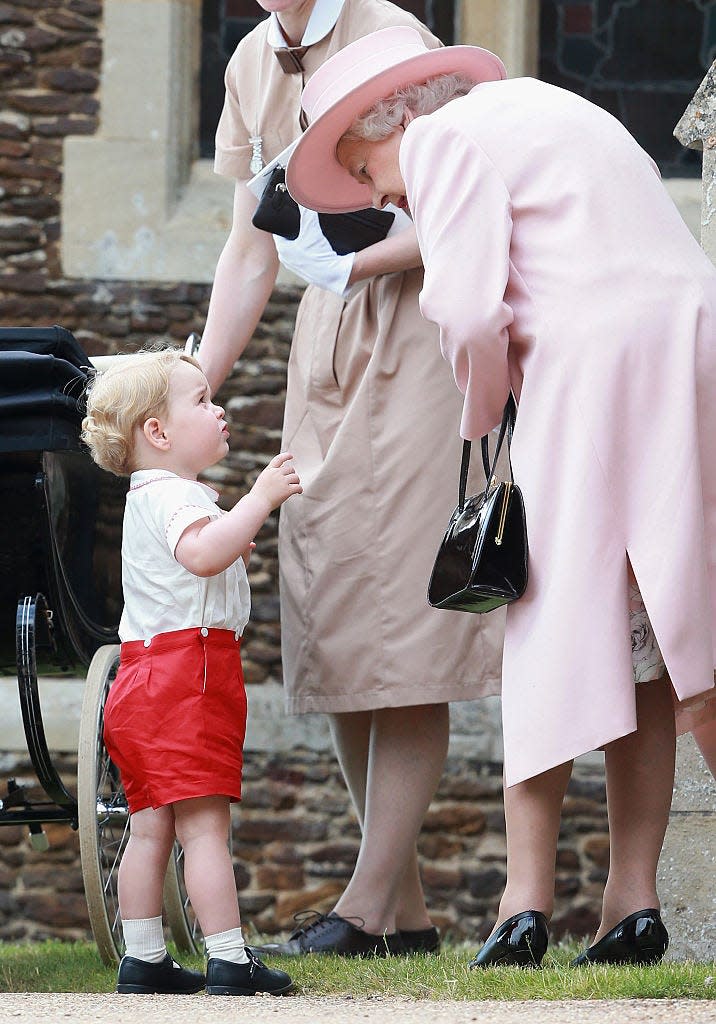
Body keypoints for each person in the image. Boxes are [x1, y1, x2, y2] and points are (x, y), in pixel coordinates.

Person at [285, 25, 716, 966]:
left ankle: (523, 906)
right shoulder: (552, 107)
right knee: (653, 632)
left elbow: (471, 307)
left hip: (591, 371)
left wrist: (486, 414)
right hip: (690, 348)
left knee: (550, 618)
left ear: (382, 122)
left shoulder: (442, 139)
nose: (374, 194)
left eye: (361, 170)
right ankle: (631, 906)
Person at [198, 0, 504, 956]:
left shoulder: (394, 37)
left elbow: (467, 204)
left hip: (415, 331)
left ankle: (365, 909)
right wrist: (183, 385)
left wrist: (356, 260)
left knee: (403, 627)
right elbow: (252, 245)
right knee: (338, 626)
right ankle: (403, 916)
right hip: (324, 350)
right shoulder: (253, 59)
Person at [81, 349, 301, 994]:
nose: (220, 408)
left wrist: (232, 522)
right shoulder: (175, 494)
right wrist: (258, 500)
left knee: (150, 827)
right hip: (189, 675)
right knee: (205, 825)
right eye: (202, 400)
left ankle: (143, 957)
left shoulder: (149, 495)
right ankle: (230, 957)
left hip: (142, 676)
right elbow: (203, 555)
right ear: (158, 431)